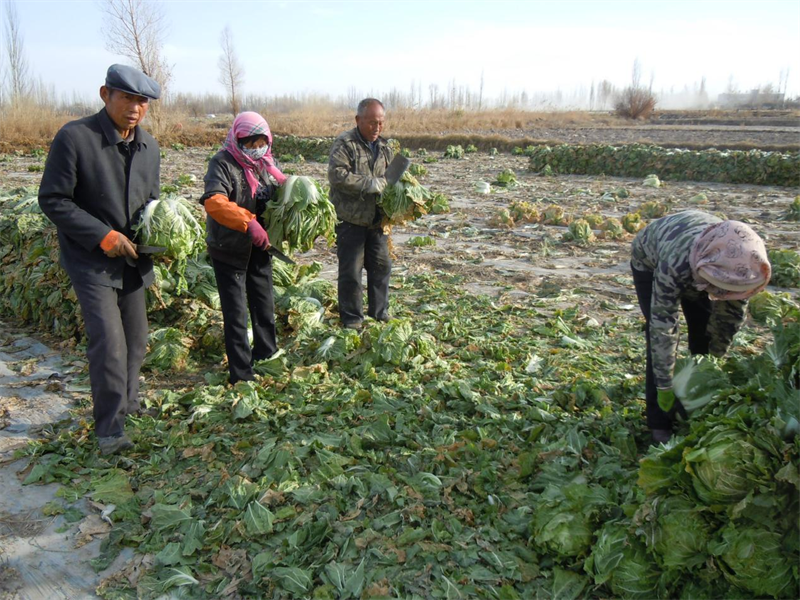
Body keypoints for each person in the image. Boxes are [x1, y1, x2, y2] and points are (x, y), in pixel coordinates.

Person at [38, 64, 161, 456]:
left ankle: (127, 405)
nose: (135, 108)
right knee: (109, 342)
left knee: (137, 340)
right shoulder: (76, 138)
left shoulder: (150, 147)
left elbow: (151, 205)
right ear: (105, 94)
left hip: (132, 259)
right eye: (127, 98)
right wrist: (102, 235)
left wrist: (161, 238)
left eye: (142, 101)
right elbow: (53, 199)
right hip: (90, 258)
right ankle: (109, 430)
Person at [631, 210, 771, 443]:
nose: (717, 295)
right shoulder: (673, 266)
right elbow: (663, 328)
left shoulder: (743, 266)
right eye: (715, 289)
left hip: (713, 255)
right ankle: (658, 421)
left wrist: (711, 365)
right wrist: (664, 386)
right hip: (651, 259)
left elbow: (729, 319)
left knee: (704, 332)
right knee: (656, 342)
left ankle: (697, 405)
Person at [200, 111, 287, 384]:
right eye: (248, 142)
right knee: (236, 313)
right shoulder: (223, 163)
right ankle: (241, 373)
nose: (255, 148)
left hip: (260, 249)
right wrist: (247, 222)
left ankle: (266, 355)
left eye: (261, 142)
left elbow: (278, 196)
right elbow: (214, 201)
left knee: (263, 303)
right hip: (229, 248)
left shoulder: (267, 164)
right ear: (237, 139)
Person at [328, 98, 394, 329]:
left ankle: (379, 313)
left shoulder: (385, 147)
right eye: (372, 122)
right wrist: (368, 184)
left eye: (381, 123)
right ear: (358, 120)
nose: (377, 128)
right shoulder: (345, 143)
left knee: (381, 266)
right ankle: (352, 319)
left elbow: (392, 179)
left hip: (376, 221)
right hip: (350, 219)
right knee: (351, 272)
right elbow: (336, 175)